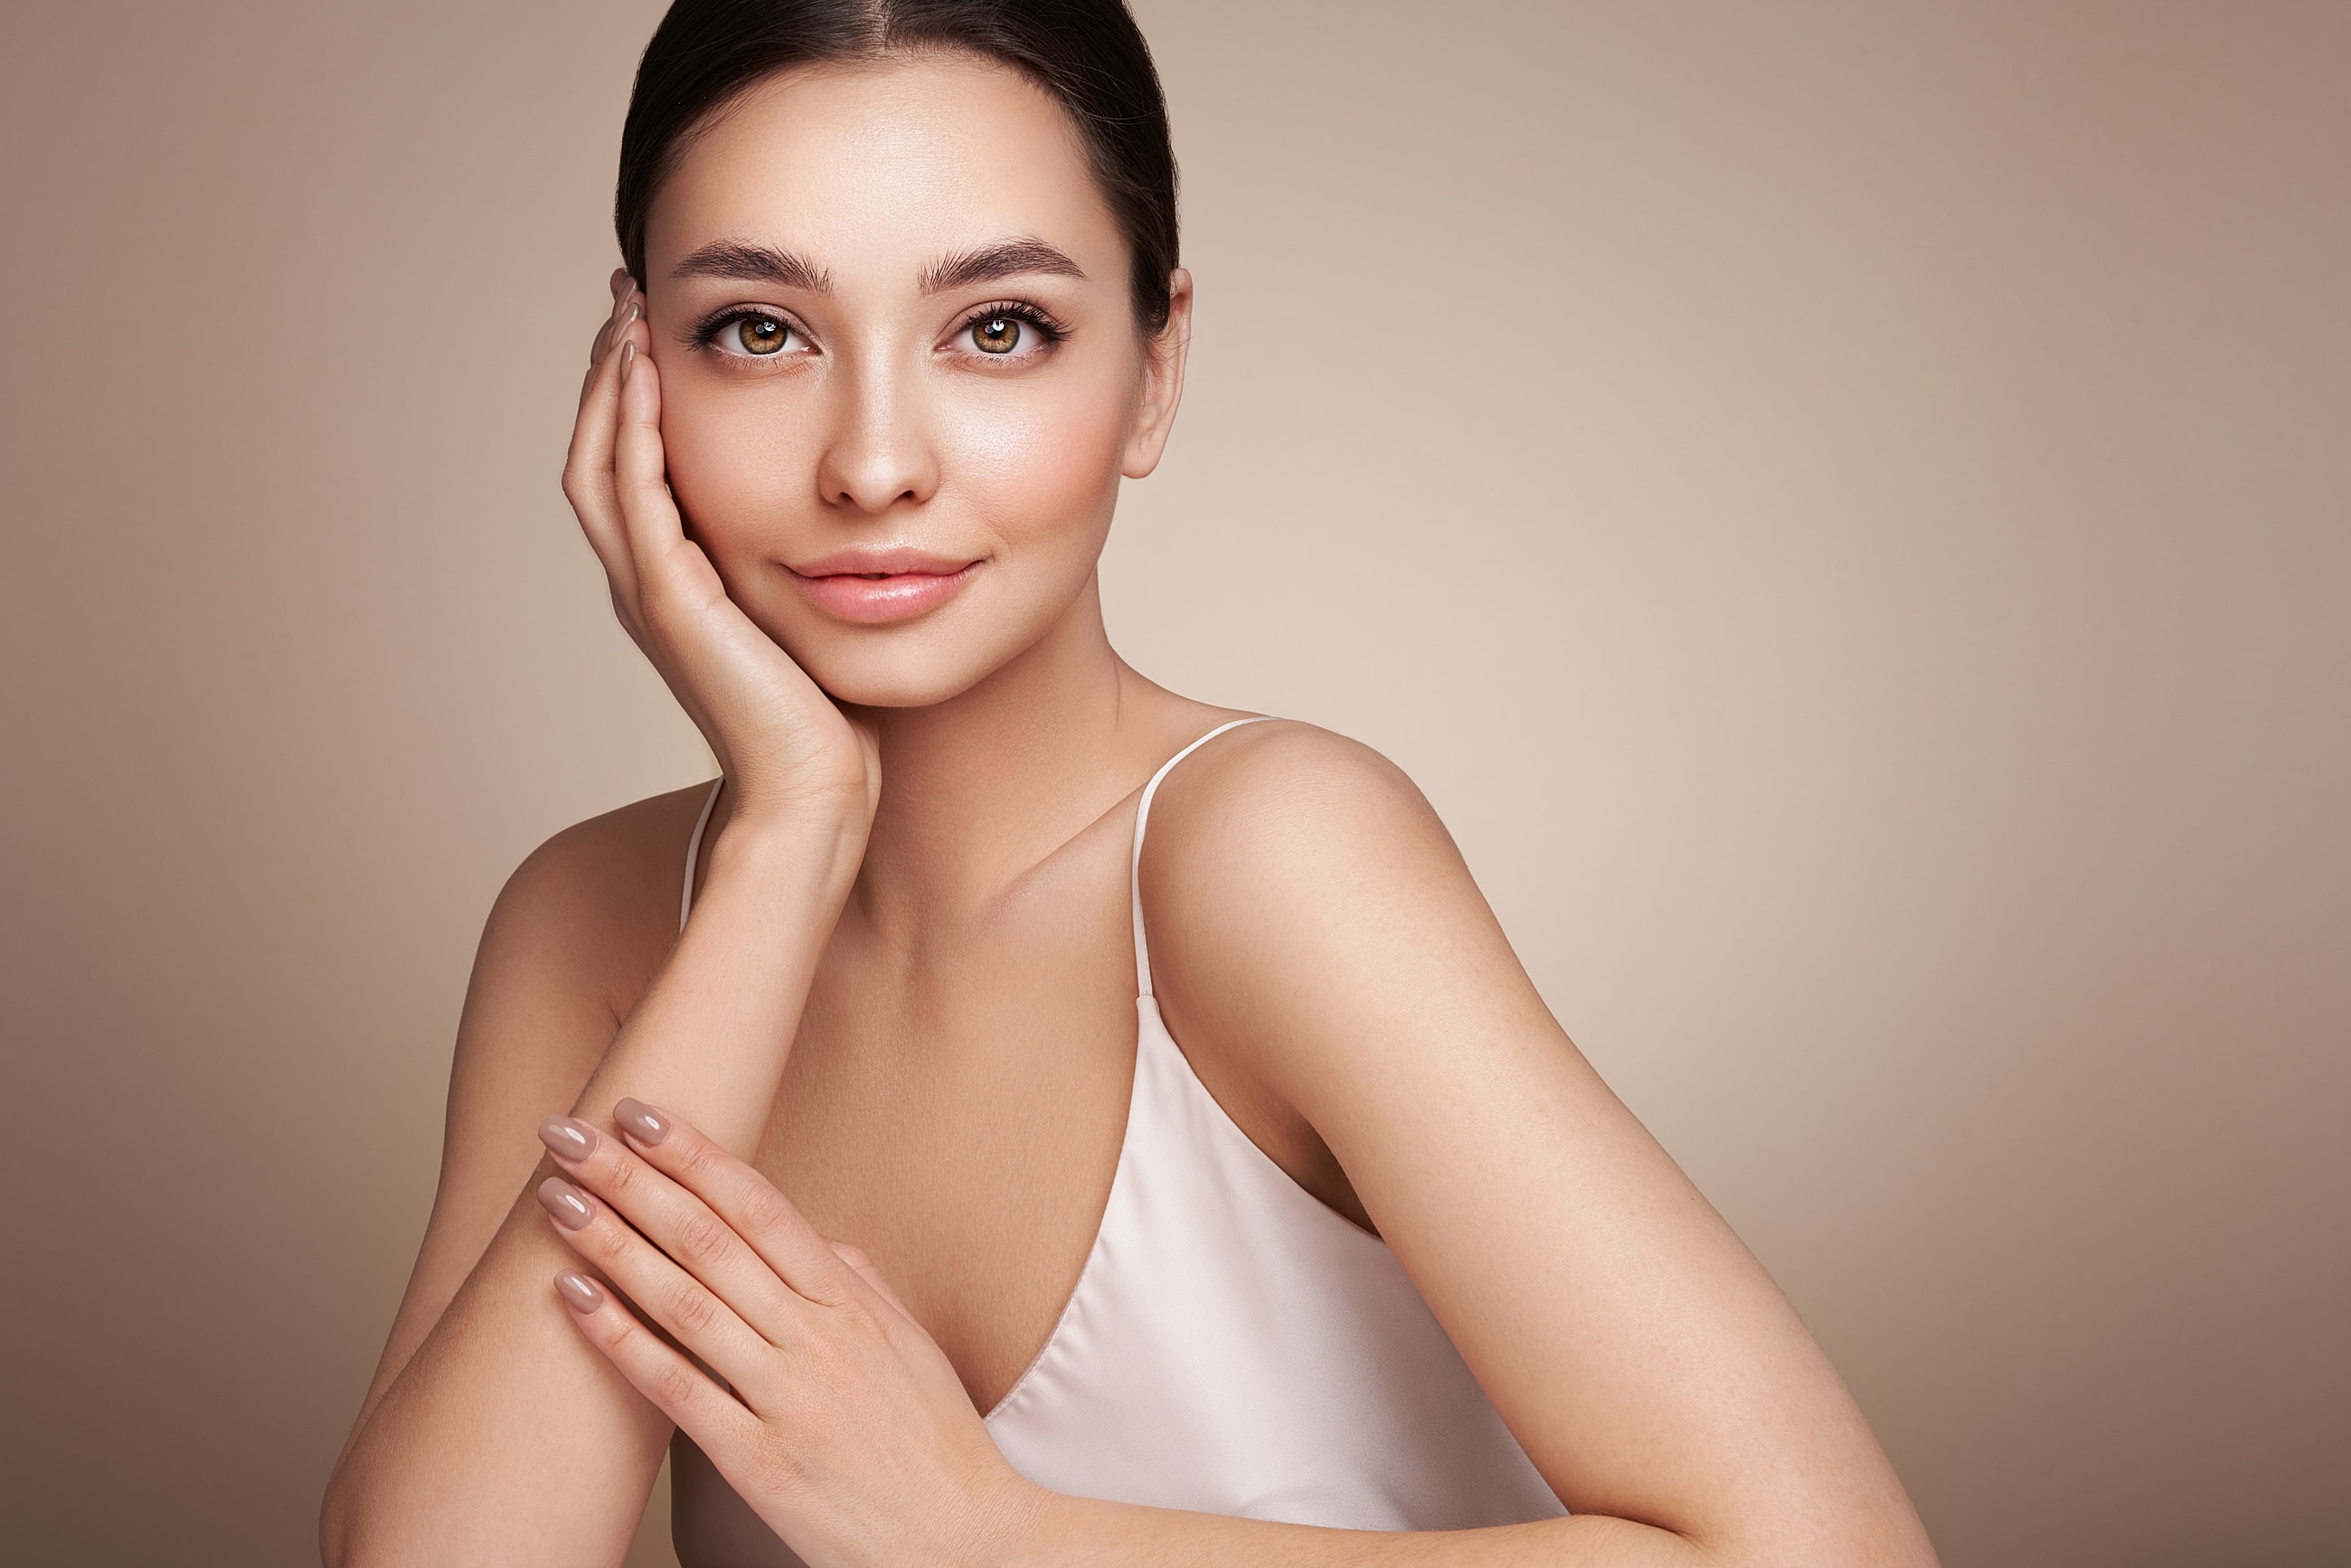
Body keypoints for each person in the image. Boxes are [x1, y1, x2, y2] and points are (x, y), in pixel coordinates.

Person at [321, 2, 1940, 1563]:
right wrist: (786, 838)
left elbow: (1833, 1551)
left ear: (1156, 368)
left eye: (998, 328)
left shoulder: (1270, 856)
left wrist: (990, 1541)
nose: (874, 461)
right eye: (759, 331)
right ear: (634, 372)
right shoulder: (592, 926)